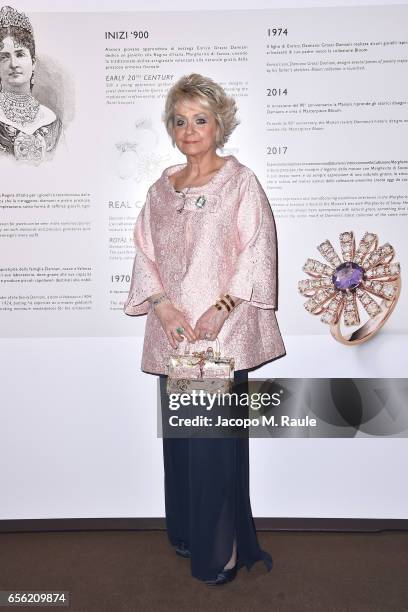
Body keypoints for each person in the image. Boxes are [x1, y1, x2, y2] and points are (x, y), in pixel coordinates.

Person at [124, 73, 286, 585]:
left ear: (220, 125)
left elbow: (256, 251)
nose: (189, 129)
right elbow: (144, 253)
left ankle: (222, 554)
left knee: (214, 443)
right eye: (180, 120)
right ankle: (189, 534)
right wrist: (163, 307)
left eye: (200, 119)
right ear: (171, 128)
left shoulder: (240, 183)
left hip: (220, 335)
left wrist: (220, 308)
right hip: (173, 333)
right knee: (181, 442)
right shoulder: (159, 189)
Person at [0, 5, 62, 164]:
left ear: (33, 63)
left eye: (20, 54)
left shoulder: (51, 120)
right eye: (4, 57)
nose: (13, 64)